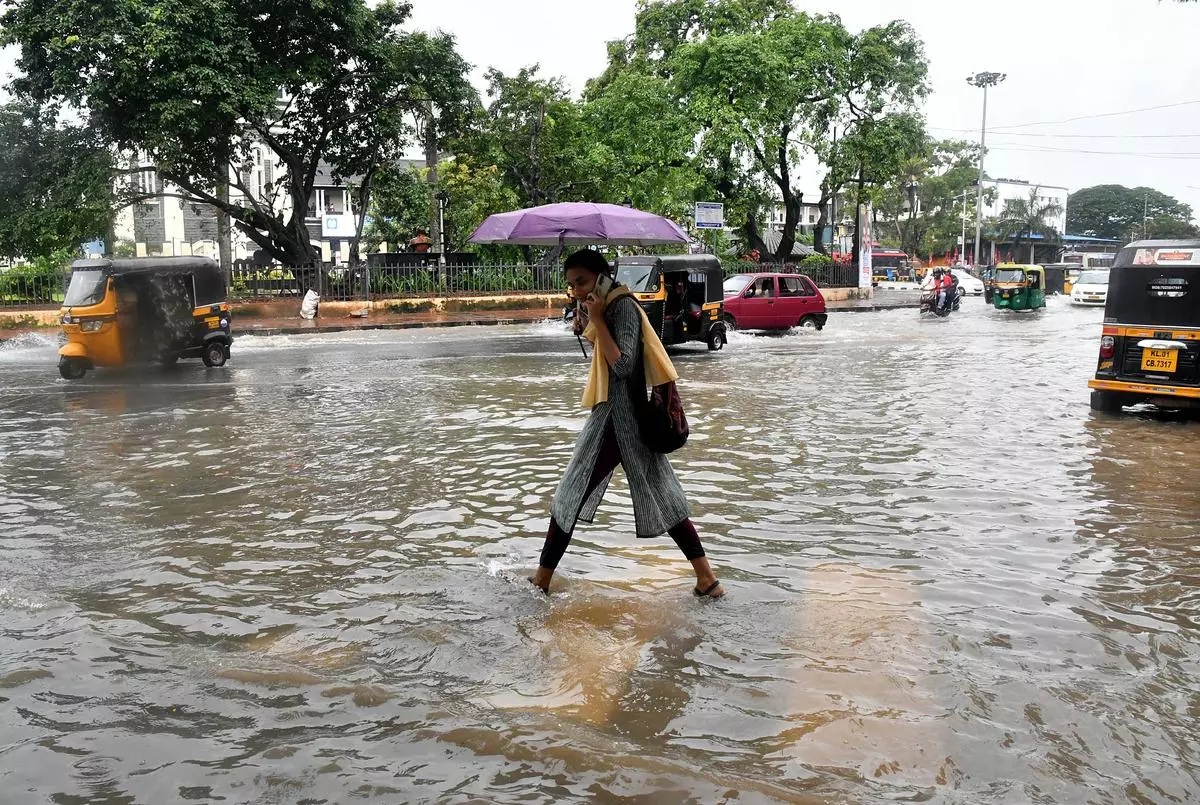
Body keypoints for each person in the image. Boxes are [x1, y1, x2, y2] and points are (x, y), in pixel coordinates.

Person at [530, 249, 725, 598]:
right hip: (625, 418)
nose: (576, 290)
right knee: (664, 494)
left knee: (568, 495)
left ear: (602, 277)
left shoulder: (621, 307)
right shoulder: (607, 305)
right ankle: (706, 578)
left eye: (583, 282)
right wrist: (589, 322)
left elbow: (622, 367)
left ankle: (541, 580)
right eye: (572, 284)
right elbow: (612, 359)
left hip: (614, 421)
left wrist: (599, 321)